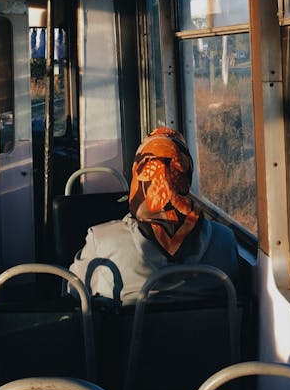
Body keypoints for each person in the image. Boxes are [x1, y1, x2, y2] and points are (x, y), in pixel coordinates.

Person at [69, 127, 240, 305]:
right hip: (207, 334)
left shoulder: (102, 240)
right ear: (186, 174)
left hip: (128, 333)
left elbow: (75, 290)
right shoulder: (225, 239)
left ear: (138, 173)